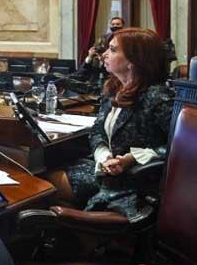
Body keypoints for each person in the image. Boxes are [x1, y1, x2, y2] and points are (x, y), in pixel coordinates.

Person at [56, 28, 174, 218]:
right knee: (46, 180)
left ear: (134, 60)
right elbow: (97, 131)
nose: (104, 55)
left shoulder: (158, 97)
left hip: (133, 180)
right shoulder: (114, 88)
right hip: (105, 168)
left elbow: (179, 148)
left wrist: (132, 158)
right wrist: (103, 155)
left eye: (112, 50)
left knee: (50, 187)